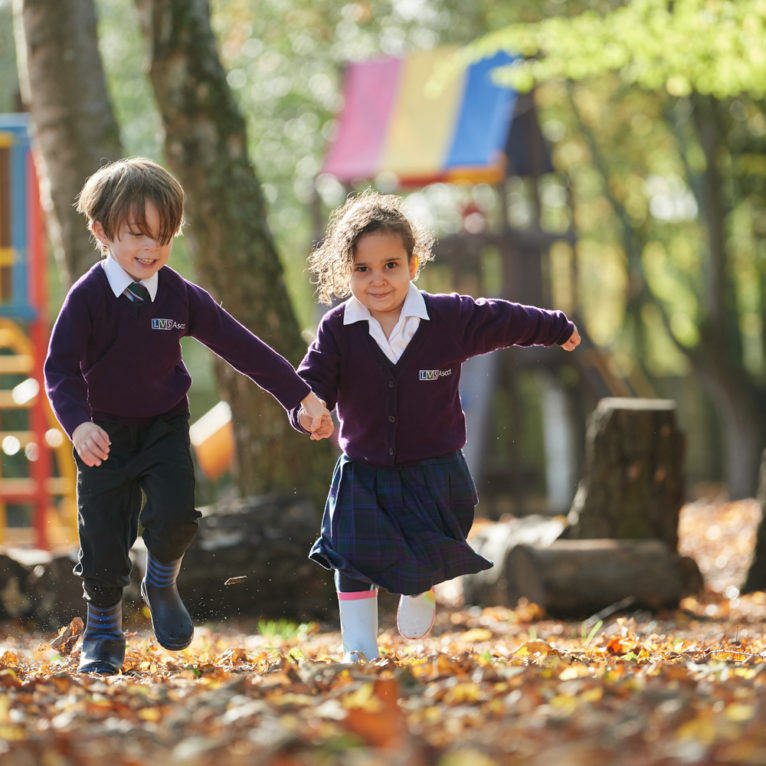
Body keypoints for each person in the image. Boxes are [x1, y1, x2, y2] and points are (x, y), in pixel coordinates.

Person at [44, 157, 332, 675]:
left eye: (163, 235)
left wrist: (299, 395)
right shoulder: (87, 298)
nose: (151, 247)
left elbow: (242, 347)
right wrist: (79, 423)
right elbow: (59, 369)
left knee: (176, 518)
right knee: (104, 539)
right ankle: (104, 630)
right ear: (101, 231)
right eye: (137, 234)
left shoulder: (178, 294)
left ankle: (161, 579)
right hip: (102, 432)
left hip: (163, 426)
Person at [292, 190, 580, 662]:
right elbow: (313, 381)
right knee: (350, 553)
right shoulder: (338, 328)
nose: (377, 280)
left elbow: (502, 319)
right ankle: (359, 650)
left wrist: (555, 326)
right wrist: (309, 410)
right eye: (362, 269)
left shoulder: (447, 318)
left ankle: (418, 584)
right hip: (364, 468)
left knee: (437, 537)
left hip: (436, 468)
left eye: (390, 266)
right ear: (346, 272)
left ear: (414, 263)